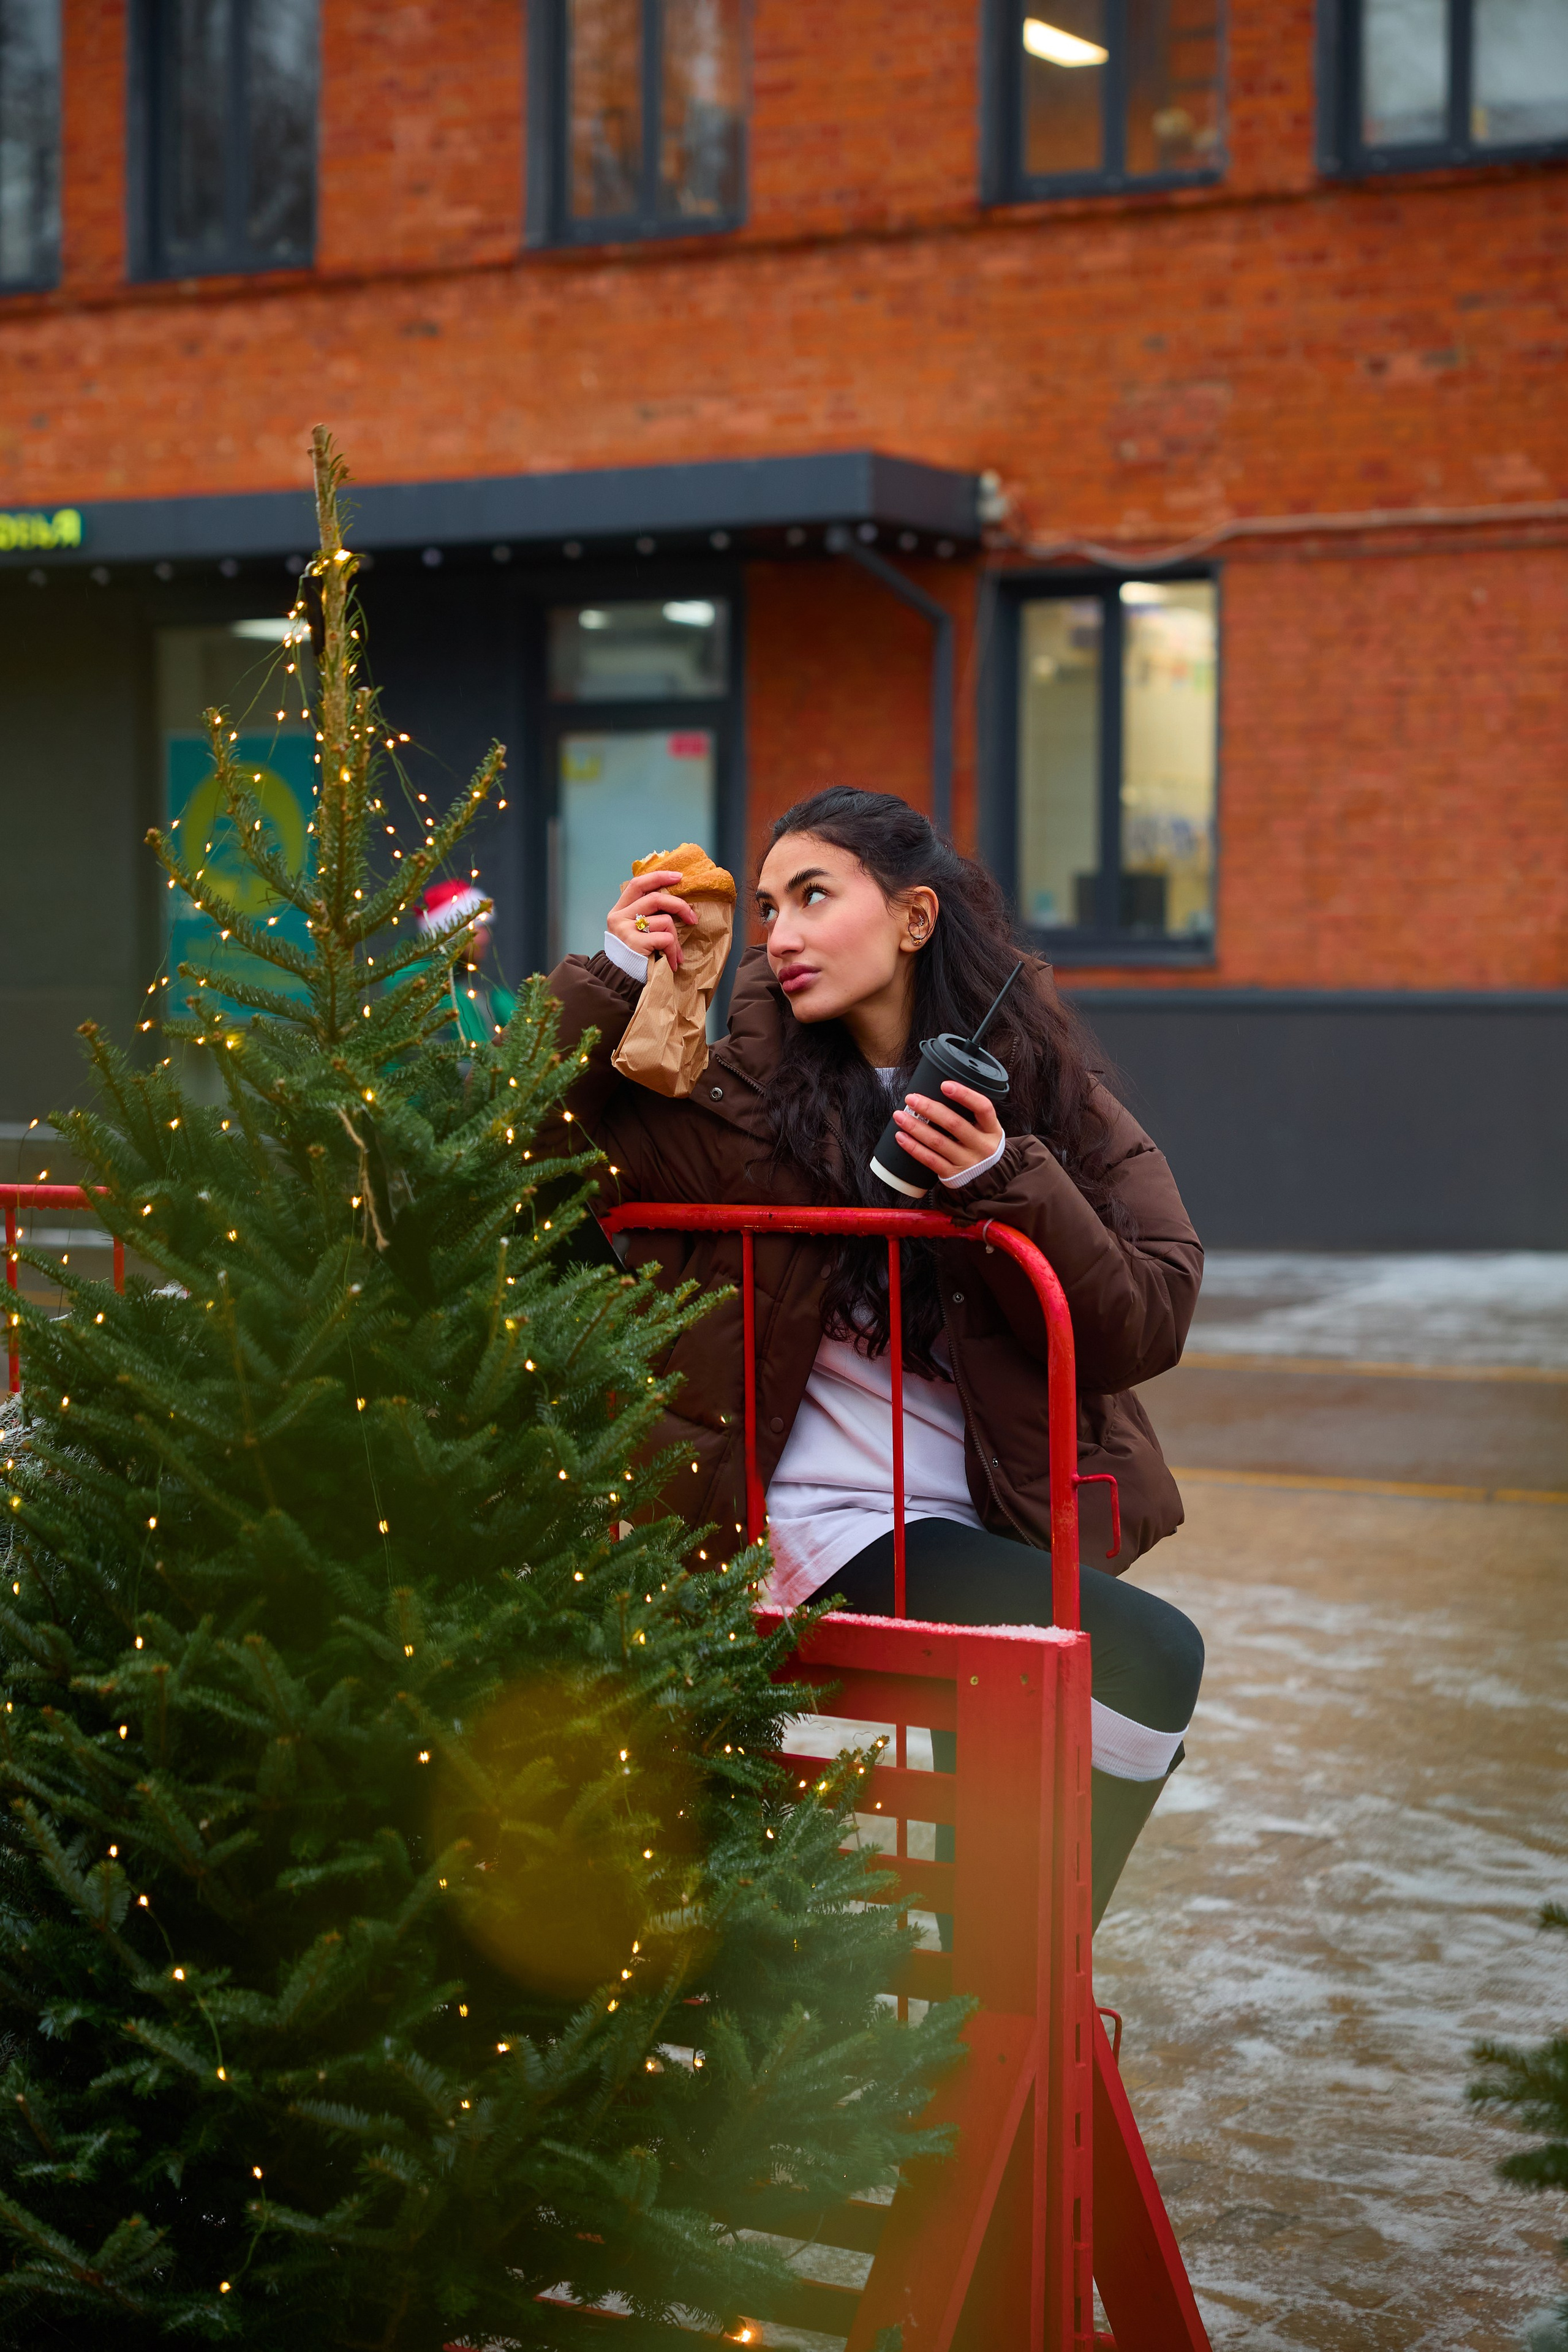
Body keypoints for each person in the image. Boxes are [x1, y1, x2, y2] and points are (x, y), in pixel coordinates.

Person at [541, 788, 1205, 1926]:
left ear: (913, 919)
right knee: (1150, 1655)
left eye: (813, 896)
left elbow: (1150, 1314)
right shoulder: (736, 1090)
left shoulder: (1039, 1085)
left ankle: (1005, 1966)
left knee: (1101, 1701)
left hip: (983, 1512)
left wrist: (1003, 1179)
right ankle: (1016, 1980)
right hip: (816, 1515)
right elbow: (497, 1135)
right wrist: (611, 969)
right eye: (765, 907)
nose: (781, 933)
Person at [410, 879, 516, 1044]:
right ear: (451, 935)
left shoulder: (481, 987)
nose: (485, 939)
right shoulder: (433, 994)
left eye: (485, 929)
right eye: (476, 930)